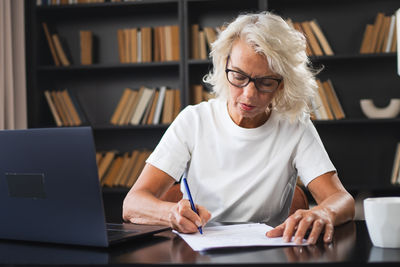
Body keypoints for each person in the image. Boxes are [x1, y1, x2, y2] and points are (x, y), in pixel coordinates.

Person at [123, 11, 355, 245]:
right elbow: (132, 203)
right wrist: (170, 213)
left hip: (267, 252)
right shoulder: (193, 121)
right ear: (224, 65)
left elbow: (341, 199)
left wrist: (324, 212)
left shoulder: (295, 127)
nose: (249, 94)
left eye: (265, 83)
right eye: (239, 76)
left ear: (282, 84)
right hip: (198, 250)